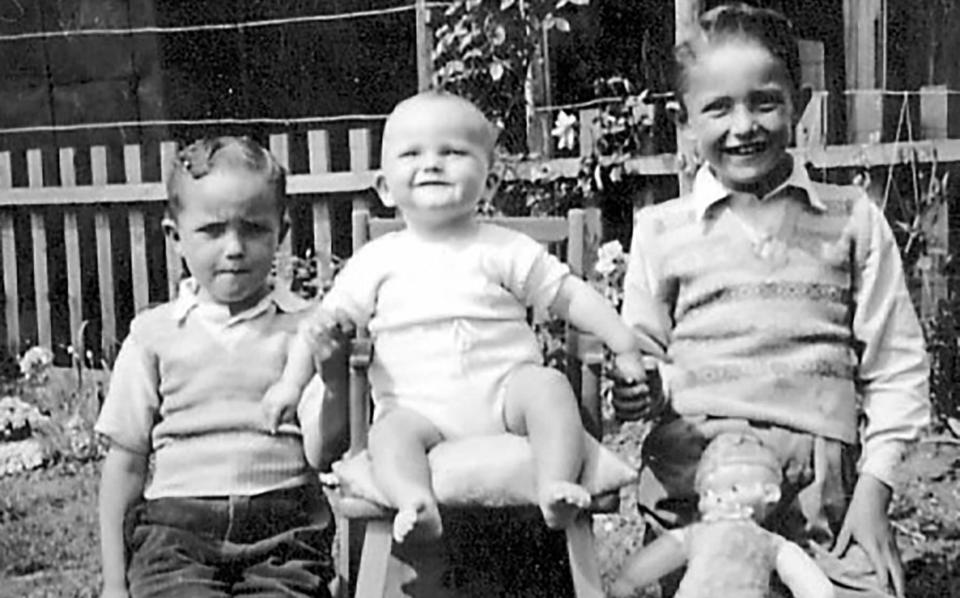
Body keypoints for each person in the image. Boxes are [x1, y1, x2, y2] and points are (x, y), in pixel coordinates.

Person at [614, 4, 929, 598]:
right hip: (700, 477)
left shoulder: (852, 218)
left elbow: (898, 364)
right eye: (717, 108)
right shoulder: (661, 229)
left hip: (822, 485)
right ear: (683, 121)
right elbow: (646, 350)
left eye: (764, 101)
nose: (744, 126)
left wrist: (873, 493)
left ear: (800, 104)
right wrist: (638, 387)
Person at [262, 90, 663, 545]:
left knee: (548, 387)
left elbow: (571, 295)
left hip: (505, 402)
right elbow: (318, 326)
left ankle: (554, 483)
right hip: (418, 413)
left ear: (489, 184)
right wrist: (290, 385)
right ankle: (416, 501)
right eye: (412, 153)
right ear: (384, 187)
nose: (432, 164)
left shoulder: (503, 248)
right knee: (388, 433)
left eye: (452, 152)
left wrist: (623, 342)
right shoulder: (376, 261)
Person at [96, 136, 336, 598]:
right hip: (177, 533)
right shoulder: (153, 335)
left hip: (284, 530)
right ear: (174, 236)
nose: (234, 248)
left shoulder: (303, 329)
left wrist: (333, 372)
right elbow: (125, 464)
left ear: (281, 232)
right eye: (211, 230)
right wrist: (112, 581)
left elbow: (323, 448)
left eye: (253, 229)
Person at [610, 431, 834, 598]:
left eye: (734, 489)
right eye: (708, 493)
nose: (718, 498)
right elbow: (667, 551)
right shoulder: (697, 535)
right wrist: (628, 580)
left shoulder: (769, 543)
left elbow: (809, 582)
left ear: (769, 493)